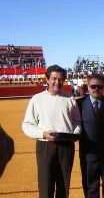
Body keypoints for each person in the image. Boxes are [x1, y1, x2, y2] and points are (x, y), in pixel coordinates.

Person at [22, 65, 81, 198]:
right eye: (54, 78)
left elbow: (77, 121)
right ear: (47, 79)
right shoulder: (37, 99)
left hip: (66, 145)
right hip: (45, 146)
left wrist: (76, 133)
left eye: (61, 79)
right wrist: (43, 134)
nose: (57, 82)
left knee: (63, 185)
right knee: (45, 184)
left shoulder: (70, 98)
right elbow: (27, 125)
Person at [77, 73, 104, 198]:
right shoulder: (79, 104)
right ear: (88, 87)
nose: (96, 89)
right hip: (88, 151)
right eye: (93, 86)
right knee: (90, 183)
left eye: (100, 87)